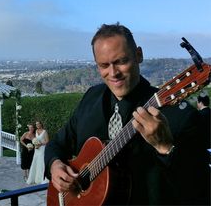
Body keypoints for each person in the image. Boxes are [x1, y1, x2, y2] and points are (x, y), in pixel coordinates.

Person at [45, 23, 210, 205]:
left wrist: (165, 148)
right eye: (104, 65)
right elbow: (57, 144)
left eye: (121, 62)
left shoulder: (181, 116)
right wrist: (54, 165)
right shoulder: (91, 98)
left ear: (138, 55)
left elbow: (199, 191)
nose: (113, 73)